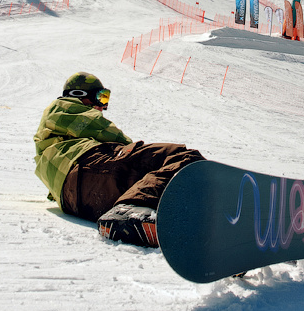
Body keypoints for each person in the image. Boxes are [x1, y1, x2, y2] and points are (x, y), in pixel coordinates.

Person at [34, 72, 205, 248]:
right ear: (79, 95)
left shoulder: (51, 139)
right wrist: (136, 152)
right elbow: (111, 135)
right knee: (181, 158)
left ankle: (143, 213)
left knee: (157, 184)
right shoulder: (63, 107)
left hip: (78, 200)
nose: (103, 106)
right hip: (87, 166)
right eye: (100, 97)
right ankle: (132, 208)